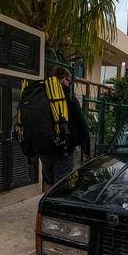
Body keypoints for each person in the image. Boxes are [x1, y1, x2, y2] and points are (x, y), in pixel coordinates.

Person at [16, 65, 91, 193]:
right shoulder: (68, 97)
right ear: (63, 79)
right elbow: (82, 124)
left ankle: (45, 208)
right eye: (69, 81)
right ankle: (55, 211)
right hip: (62, 150)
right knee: (62, 185)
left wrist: (30, 153)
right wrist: (87, 149)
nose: (69, 84)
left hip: (42, 149)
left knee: (48, 181)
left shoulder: (38, 94)